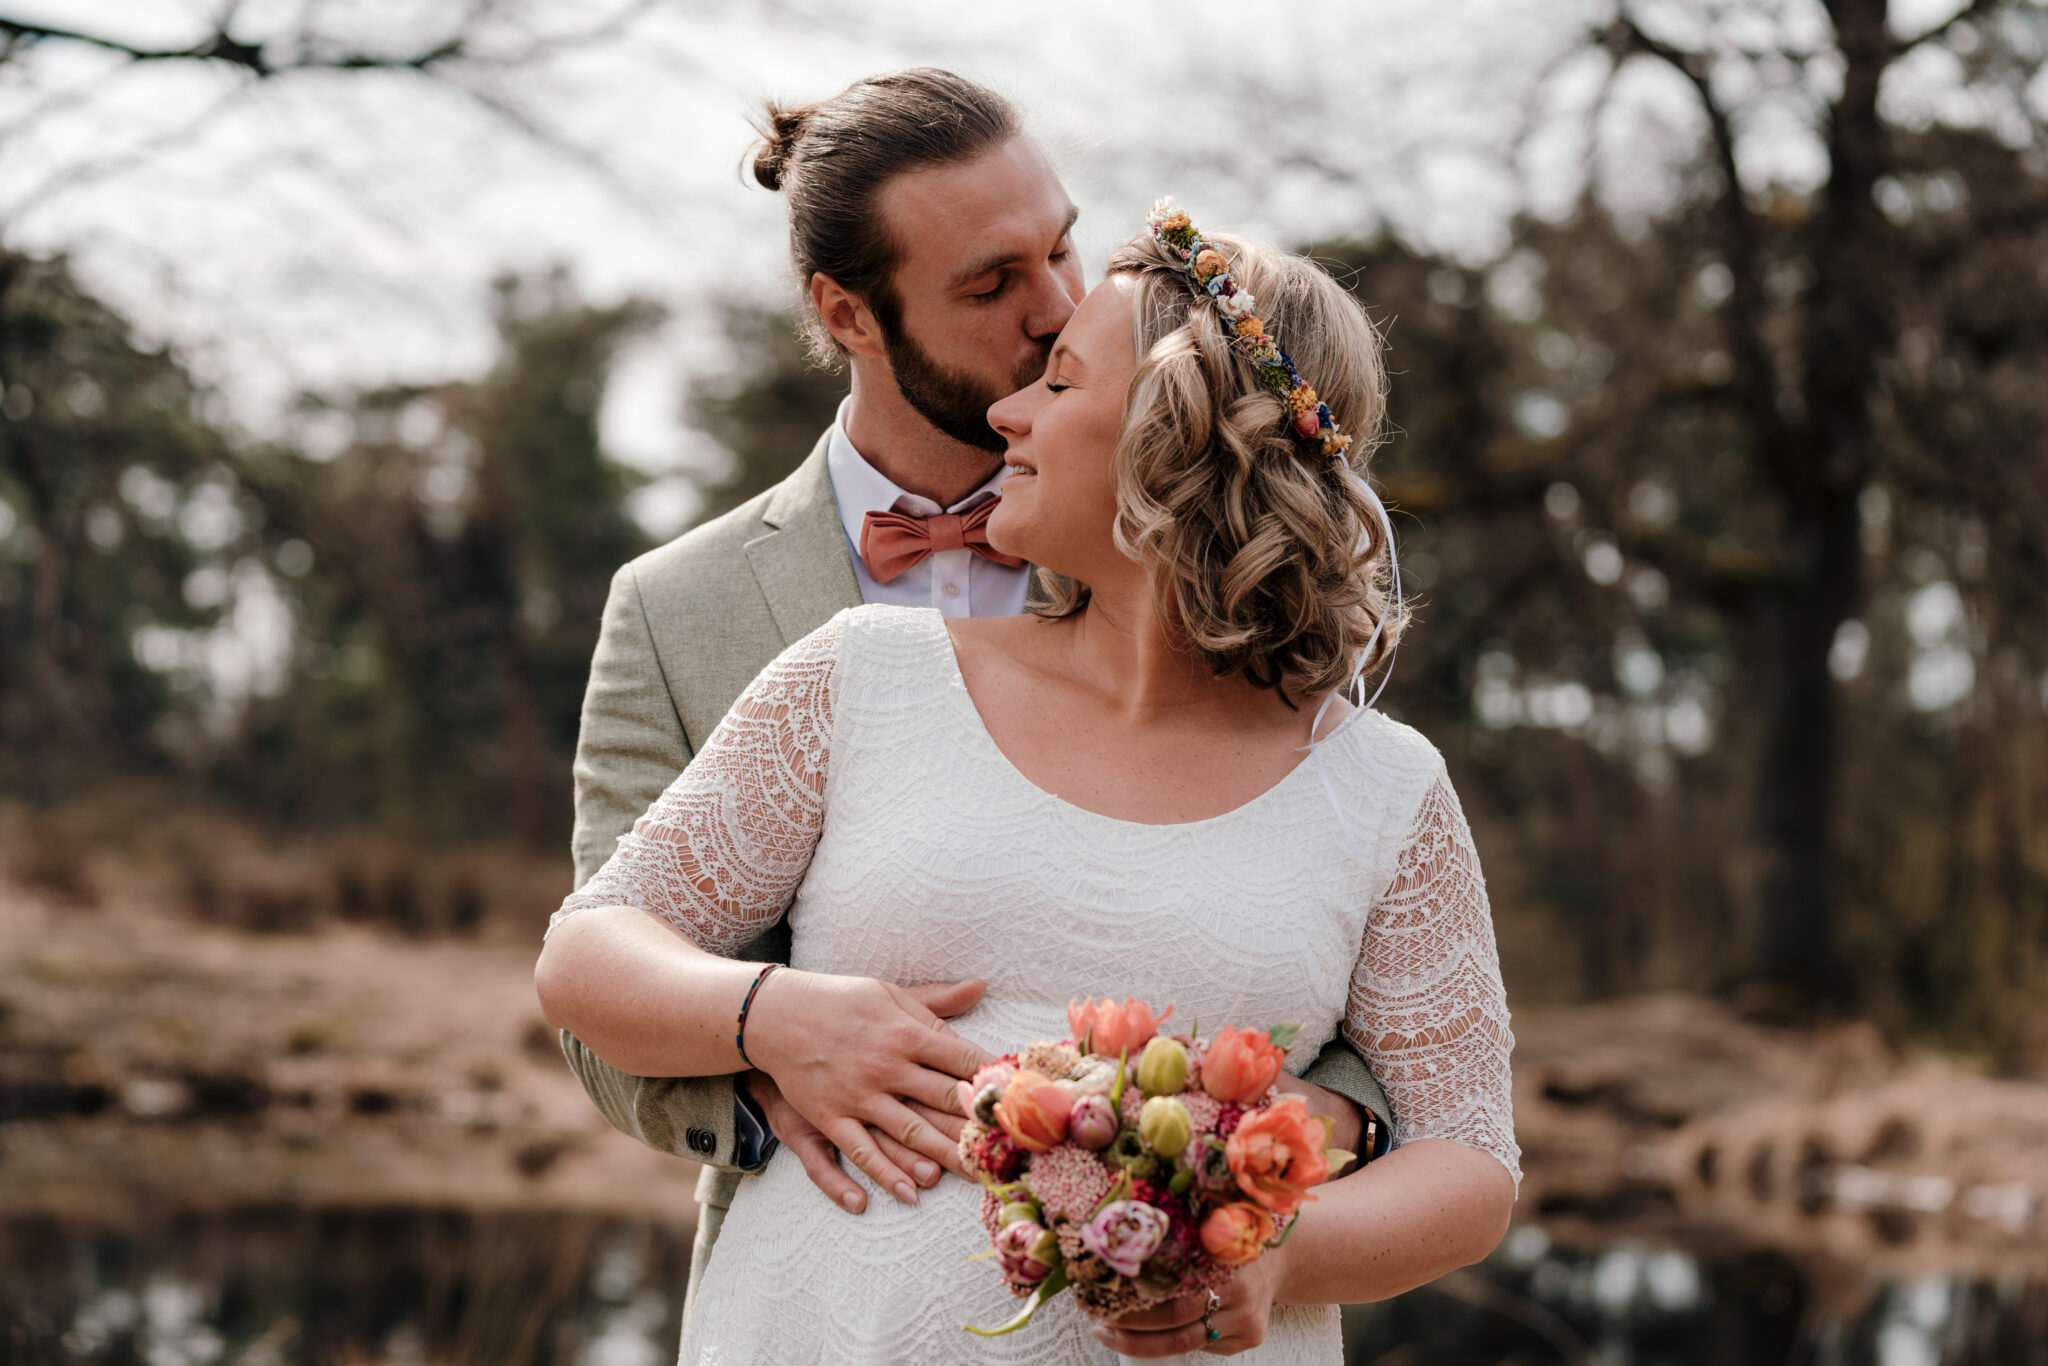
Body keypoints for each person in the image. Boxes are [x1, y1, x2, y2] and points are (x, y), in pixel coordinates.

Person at [536, 198, 1519, 1361]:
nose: (1007, 410)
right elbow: (589, 953)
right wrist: (771, 1014)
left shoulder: (1382, 791)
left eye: (1057, 383)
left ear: (1175, 438)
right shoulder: (865, 676)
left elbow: (1467, 1165)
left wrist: (1282, 1247)